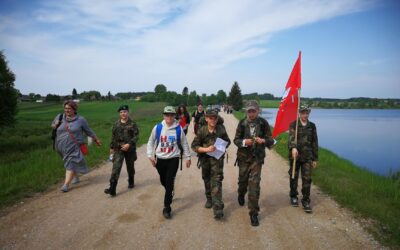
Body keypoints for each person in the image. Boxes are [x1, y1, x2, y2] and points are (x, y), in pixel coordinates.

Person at [233, 100, 274, 226]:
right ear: (247, 112)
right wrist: (245, 142)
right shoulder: (242, 123)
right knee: (243, 181)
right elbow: (236, 140)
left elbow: (271, 140)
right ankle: (241, 193)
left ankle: (253, 213)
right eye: (249, 111)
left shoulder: (263, 123)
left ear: (258, 111)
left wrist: (263, 141)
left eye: (253, 111)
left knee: (254, 185)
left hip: (257, 159)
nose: (251, 113)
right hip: (243, 159)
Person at [147, 106, 191, 219]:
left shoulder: (178, 129)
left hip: (173, 159)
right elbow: (150, 142)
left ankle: (167, 207)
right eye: (167, 115)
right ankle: (170, 189)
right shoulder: (157, 128)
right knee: (163, 181)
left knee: (169, 181)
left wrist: (188, 157)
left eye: (171, 115)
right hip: (160, 159)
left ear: (174, 116)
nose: (169, 117)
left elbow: (184, 143)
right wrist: (150, 155)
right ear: (163, 115)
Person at [51, 100, 101, 192]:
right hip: (60, 146)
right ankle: (76, 177)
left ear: (74, 109)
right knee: (68, 161)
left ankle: (66, 185)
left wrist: (96, 139)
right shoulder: (60, 116)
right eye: (65, 108)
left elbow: (88, 131)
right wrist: (55, 124)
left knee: (70, 163)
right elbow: (53, 126)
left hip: (74, 146)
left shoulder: (80, 120)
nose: (67, 110)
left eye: (69, 108)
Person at [191, 109, 231, 220]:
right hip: (205, 160)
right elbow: (194, 146)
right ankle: (209, 198)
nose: (213, 120)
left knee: (217, 181)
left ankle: (218, 208)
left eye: (215, 118)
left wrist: (221, 146)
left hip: (217, 161)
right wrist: (206, 149)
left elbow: (228, 141)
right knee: (207, 179)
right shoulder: (202, 130)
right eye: (211, 118)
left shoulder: (221, 129)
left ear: (217, 119)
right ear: (207, 118)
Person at [288, 105, 318, 213]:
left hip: (308, 157)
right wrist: (293, 148)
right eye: (303, 113)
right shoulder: (294, 124)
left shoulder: (312, 126)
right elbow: (291, 138)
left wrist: (315, 158)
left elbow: (315, 142)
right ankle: (293, 196)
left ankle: (306, 200)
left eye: (307, 113)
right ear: (299, 113)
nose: (305, 115)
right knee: (294, 176)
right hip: (295, 156)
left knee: (307, 179)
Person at [104, 105, 139, 197]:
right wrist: (111, 148)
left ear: (128, 112)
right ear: (119, 114)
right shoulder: (116, 124)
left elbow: (136, 136)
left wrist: (129, 144)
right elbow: (113, 137)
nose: (123, 113)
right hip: (118, 149)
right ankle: (112, 188)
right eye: (121, 112)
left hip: (130, 149)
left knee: (130, 167)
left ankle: (131, 180)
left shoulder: (133, 124)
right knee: (116, 167)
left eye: (125, 112)